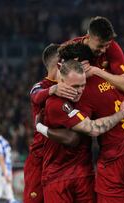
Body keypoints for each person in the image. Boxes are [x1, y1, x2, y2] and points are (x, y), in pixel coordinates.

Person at [38, 42, 124, 202]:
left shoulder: (76, 94)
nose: (79, 90)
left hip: (102, 164)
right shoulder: (110, 76)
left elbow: (76, 137)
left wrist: (40, 127)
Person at [23, 43, 80, 203]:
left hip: (65, 160)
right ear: (60, 63)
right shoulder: (41, 87)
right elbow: (35, 96)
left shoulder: (73, 85)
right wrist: (52, 90)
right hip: (41, 160)